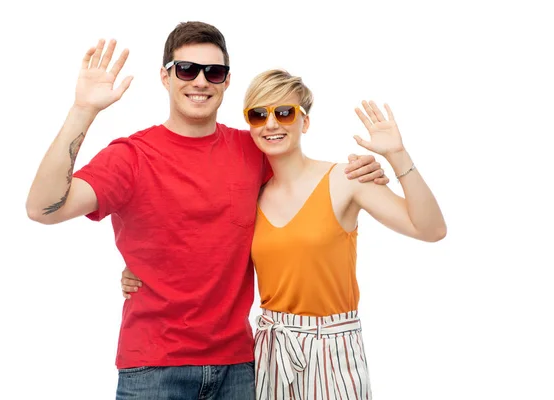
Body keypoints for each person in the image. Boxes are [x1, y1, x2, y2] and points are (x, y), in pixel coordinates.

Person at [25, 21, 387, 399]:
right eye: (186, 69)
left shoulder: (253, 150)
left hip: (240, 368)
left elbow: (304, 184)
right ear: (165, 78)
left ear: (226, 82)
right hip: (153, 370)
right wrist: (83, 110)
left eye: (213, 71)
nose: (200, 81)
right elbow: (43, 208)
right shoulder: (130, 157)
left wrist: (359, 171)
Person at [122, 69, 447, 399]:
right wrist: (140, 269)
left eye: (284, 112)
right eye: (259, 115)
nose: (272, 124)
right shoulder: (253, 193)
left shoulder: (345, 179)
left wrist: (397, 156)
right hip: (270, 350)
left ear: (304, 122)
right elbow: (200, 240)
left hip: (333, 348)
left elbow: (431, 229)